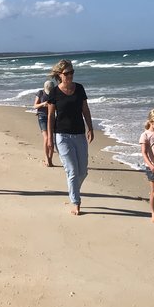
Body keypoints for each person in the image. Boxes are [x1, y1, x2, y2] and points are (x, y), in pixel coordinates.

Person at [45, 59, 94, 215]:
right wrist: (49, 138)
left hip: (79, 134)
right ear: (60, 75)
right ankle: (76, 202)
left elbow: (85, 110)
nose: (70, 75)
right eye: (67, 73)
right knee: (72, 171)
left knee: (83, 171)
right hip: (62, 135)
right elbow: (51, 116)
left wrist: (90, 128)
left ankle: (73, 190)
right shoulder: (54, 92)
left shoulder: (79, 88)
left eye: (72, 72)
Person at [34, 79, 56, 167]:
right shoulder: (41, 93)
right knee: (46, 138)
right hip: (42, 116)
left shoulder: (55, 94)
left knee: (52, 139)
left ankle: (50, 159)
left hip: (52, 117)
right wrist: (43, 104)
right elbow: (35, 105)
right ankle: (46, 158)